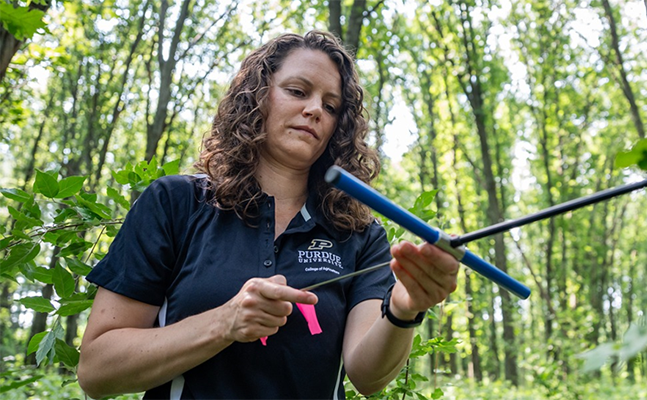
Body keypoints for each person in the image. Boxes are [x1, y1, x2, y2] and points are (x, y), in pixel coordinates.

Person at [77, 31, 459, 399]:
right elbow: (96, 372)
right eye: (297, 91)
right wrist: (223, 323)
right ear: (257, 95)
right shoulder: (176, 202)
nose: (314, 110)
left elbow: (366, 376)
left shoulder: (359, 234)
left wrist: (404, 308)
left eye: (331, 106)